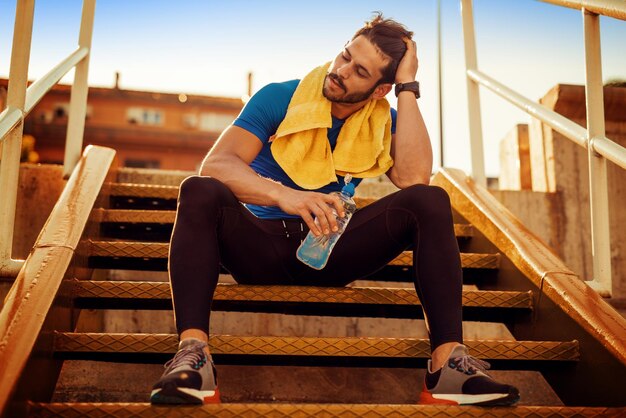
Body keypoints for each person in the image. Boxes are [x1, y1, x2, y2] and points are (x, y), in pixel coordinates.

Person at [150, 13, 520, 406]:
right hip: (260, 247)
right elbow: (218, 165)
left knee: (430, 201)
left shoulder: (382, 120)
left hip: (331, 251)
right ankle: (194, 356)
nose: (340, 71)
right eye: (344, 56)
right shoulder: (282, 97)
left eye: (359, 71)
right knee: (199, 190)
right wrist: (286, 196)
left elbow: (413, 178)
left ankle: (447, 367)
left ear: (379, 91)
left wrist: (407, 89)